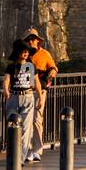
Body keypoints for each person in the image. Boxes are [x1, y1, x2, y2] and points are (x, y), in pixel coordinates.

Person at [2, 39, 43, 164]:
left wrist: (40, 97)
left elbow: (37, 82)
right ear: (17, 53)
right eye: (23, 51)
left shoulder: (31, 67)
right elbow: (6, 80)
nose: (25, 53)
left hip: (28, 97)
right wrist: (6, 90)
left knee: (25, 129)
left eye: (27, 51)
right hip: (14, 97)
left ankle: (20, 158)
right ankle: (13, 154)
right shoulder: (11, 67)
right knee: (12, 127)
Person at [23, 28, 58, 158]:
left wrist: (51, 73)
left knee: (37, 120)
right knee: (26, 121)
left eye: (33, 39)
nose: (31, 41)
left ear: (38, 40)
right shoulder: (23, 54)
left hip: (39, 91)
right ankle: (27, 150)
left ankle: (37, 150)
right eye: (28, 40)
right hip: (25, 91)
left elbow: (54, 67)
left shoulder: (44, 54)